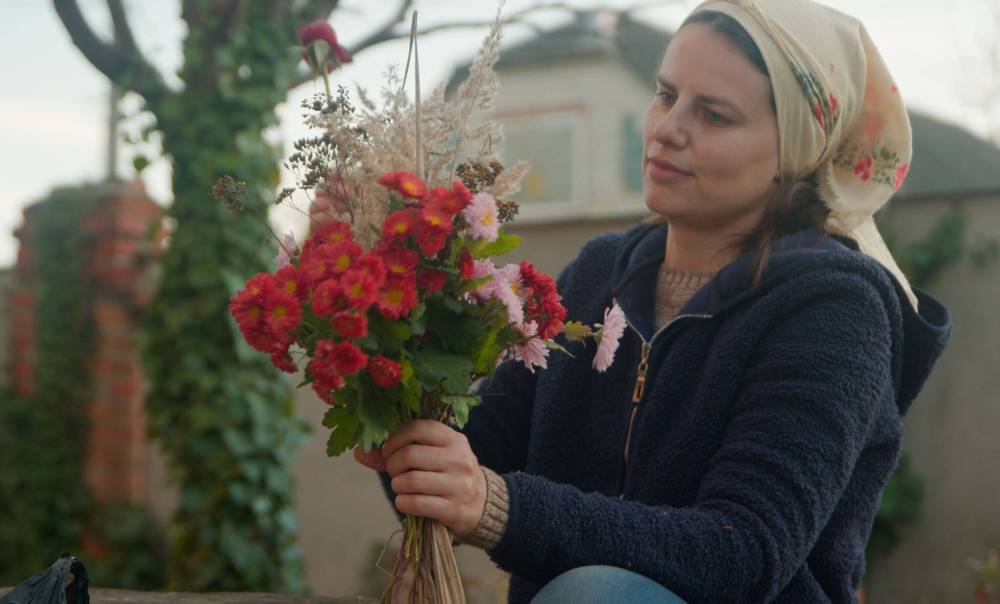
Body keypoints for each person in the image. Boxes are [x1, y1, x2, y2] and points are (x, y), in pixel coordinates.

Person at [312, 0, 952, 601]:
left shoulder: (837, 310)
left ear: (794, 153)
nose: (668, 129)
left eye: (714, 114)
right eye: (666, 95)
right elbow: (477, 460)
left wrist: (497, 506)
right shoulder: (598, 273)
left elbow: (744, 550)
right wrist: (377, 326)